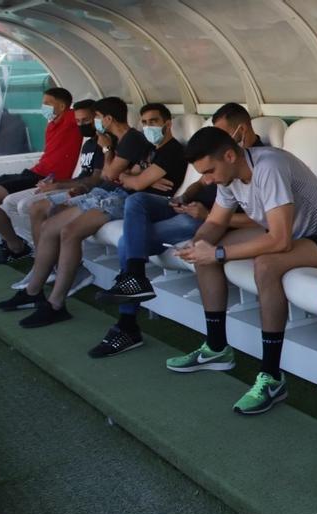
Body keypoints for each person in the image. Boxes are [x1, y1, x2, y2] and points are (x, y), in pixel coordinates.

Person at [166, 127, 317, 415]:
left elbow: (279, 240)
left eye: (209, 171)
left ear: (230, 155)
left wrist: (218, 252)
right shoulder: (227, 175)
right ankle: (216, 348)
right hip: (296, 238)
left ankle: (271, 376)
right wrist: (199, 244)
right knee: (204, 250)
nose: (206, 180)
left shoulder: (269, 167)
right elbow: (216, 222)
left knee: (265, 265)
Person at [89, 103, 266, 358]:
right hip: (188, 207)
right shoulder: (220, 154)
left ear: (241, 130)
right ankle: (136, 278)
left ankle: (127, 325)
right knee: (135, 201)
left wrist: (205, 215)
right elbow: (197, 183)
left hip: (205, 219)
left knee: (130, 242)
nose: (217, 142)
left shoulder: (257, 161)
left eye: (222, 135)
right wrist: (184, 197)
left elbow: (261, 218)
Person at [0, 99, 187, 328]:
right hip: (116, 194)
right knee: (50, 226)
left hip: (128, 201)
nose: (148, 127)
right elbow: (127, 176)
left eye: (153, 122)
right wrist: (134, 178)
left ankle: (55, 304)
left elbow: (130, 181)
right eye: (145, 122)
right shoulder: (150, 148)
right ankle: (34, 291)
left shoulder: (172, 150)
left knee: (69, 231)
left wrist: (133, 178)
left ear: (167, 123)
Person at [0, 86, 80, 263]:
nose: (43, 107)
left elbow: (91, 114)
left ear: (62, 106)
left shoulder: (70, 118)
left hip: (44, 178)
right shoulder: (51, 125)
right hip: (32, 172)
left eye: (47, 103)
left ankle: (16, 246)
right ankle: (11, 242)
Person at [1, 98, 104, 291]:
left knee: (33, 207)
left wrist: (59, 185)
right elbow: (81, 174)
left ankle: (46, 265)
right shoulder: (89, 143)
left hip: (87, 191)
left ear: (99, 118)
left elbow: (94, 180)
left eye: (87, 120)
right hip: (71, 185)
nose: (82, 125)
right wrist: (53, 182)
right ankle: (42, 262)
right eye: (79, 121)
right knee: (17, 204)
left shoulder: (104, 144)